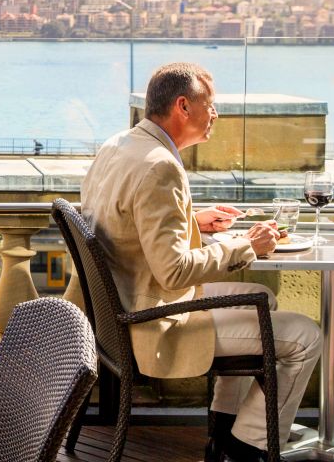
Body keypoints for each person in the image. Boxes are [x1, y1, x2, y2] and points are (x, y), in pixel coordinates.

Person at [81, 62, 320, 462]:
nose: (216, 115)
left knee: (261, 295)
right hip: (152, 324)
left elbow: (122, 221)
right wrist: (246, 245)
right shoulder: (160, 166)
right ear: (182, 106)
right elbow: (172, 272)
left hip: (116, 313)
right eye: (210, 105)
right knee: (306, 336)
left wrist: (190, 220)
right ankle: (247, 447)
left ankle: (223, 429)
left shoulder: (120, 145)